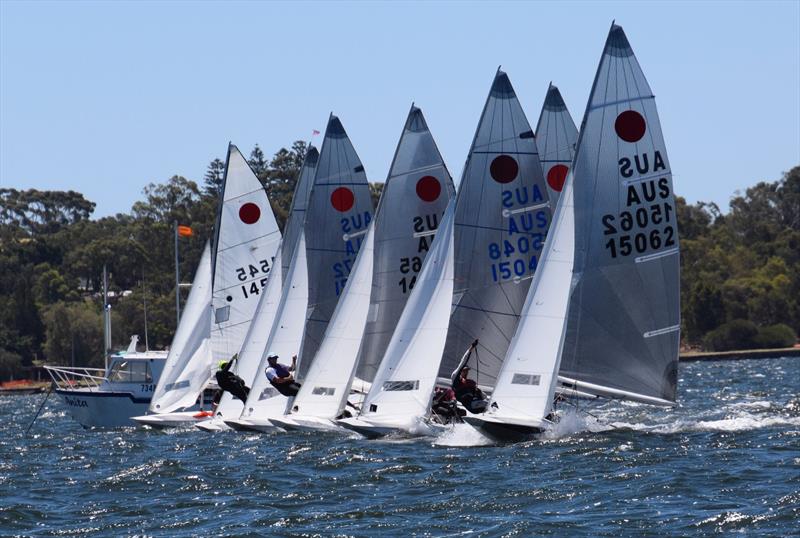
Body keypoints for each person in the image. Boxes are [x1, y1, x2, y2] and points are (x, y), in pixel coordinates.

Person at [451, 340, 488, 414]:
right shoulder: (456, 379)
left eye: (467, 371)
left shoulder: (470, 383)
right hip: (472, 406)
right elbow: (463, 362)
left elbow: (484, 396)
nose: (466, 372)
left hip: (478, 404)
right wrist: (471, 348)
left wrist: (478, 391)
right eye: (464, 371)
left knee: (494, 404)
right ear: (460, 371)